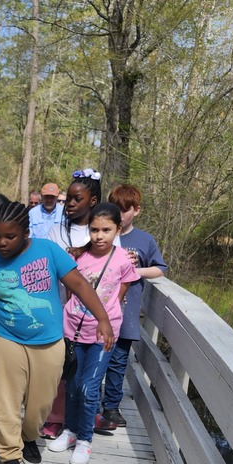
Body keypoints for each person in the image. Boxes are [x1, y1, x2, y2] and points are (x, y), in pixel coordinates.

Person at [0, 200, 114, 464]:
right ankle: (11, 457)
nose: (1, 242)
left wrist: (103, 318)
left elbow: (80, 284)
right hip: (6, 339)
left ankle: (28, 436)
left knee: (41, 404)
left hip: (49, 342)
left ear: (25, 232)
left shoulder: (48, 251)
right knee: (6, 402)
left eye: (9, 236)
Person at [47, 203, 139, 464]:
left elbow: (121, 293)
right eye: (95, 230)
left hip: (103, 333)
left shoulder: (123, 259)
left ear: (117, 229)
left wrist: (109, 317)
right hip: (73, 328)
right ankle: (70, 431)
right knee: (73, 386)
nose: (100, 236)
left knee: (88, 388)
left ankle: (85, 440)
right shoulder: (77, 256)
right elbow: (67, 288)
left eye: (106, 230)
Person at [98, 184, 167, 430]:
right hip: (99, 312)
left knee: (118, 362)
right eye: (115, 208)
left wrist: (133, 271)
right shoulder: (101, 234)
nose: (119, 214)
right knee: (96, 359)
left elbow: (160, 268)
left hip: (126, 313)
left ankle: (111, 407)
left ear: (136, 211)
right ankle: (91, 404)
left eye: (124, 210)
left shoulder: (144, 240)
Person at [41, 168, 103, 439]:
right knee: (61, 366)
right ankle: (55, 417)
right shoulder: (55, 231)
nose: (71, 204)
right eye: (68, 199)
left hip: (90, 313)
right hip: (60, 310)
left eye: (78, 199)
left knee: (86, 370)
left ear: (92, 201)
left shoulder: (101, 230)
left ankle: (83, 418)